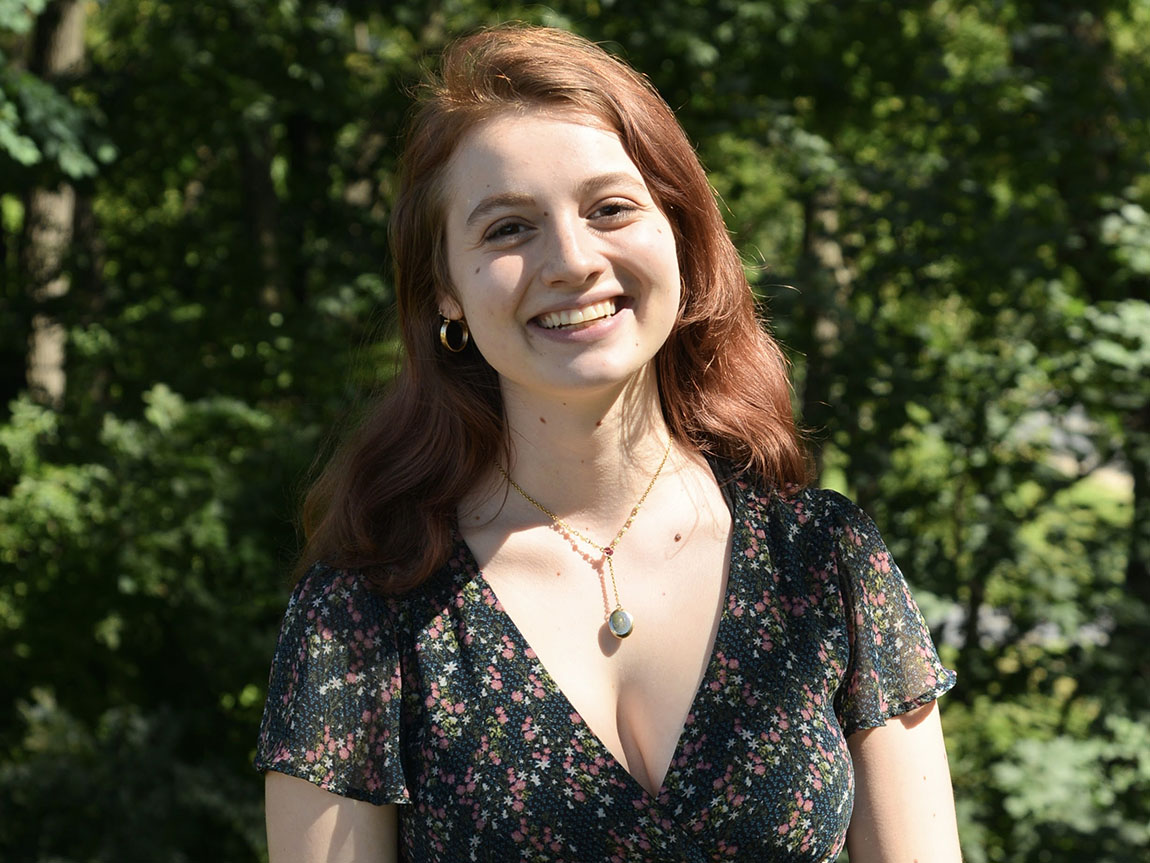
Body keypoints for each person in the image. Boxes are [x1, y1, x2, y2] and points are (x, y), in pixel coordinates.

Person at [255, 23, 962, 863]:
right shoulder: (364, 614)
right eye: (508, 229)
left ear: (680, 234)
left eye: (611, 209)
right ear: (445, 290)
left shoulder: (823, 563)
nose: (571, 260)